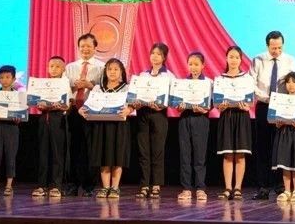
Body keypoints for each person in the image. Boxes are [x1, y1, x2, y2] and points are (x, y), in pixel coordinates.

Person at [249, 30, 295, 200]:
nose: (276, 51)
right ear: (267, 46)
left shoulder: (290, 60)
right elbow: (251, 82)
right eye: (273, 48)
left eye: (279, 47)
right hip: (264, 105)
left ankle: (280, 186)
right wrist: (264, 97)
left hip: (283, 108)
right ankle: (263, 187)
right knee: (263, 146)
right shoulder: (258, 60)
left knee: (280, 146)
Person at [79, 57, 132, 199]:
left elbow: (132, 106)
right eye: (109, 69)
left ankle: (115, 188)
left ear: (121, 71)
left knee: (117, 156)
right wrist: (82, 110)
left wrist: (130, 109)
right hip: (101, 125)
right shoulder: (98, 88)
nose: (112, 72)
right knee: (103, 156)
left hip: (119, 126)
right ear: (105, 71)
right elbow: (89, 104)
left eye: (116, 69)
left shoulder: (126, 88)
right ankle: (105, 187)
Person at [65, 33, 105, 197]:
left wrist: (91, 85)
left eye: (89, 46)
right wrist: (72, 88)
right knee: (73, 148)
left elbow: (104, 89)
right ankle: (72, 184)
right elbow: (64, 89)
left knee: (91, 149)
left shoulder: (102, 67)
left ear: (95, 47)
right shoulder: (71, 67)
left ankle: (89, 186)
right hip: (74, 110)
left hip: (92, 111)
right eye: (82, 46)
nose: (85, 49)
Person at [133, 42, 174, 199]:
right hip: (142, 114)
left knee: (157, 151)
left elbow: (172, 98)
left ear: (164, 57)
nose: (155, 56)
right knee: (144, 151)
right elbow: (135, 95)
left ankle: (156, 185)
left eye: (158, 54)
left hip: (159, 115)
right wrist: (135, 102)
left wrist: (162, 104)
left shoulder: (169, 76)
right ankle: (144, 185)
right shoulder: (142, 76)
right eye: (153, 53)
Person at [215, 46, 253, 201]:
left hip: (241, 116)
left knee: (240, 155)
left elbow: (250, 101)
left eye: (237, 57)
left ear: (240, 59)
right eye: (231, 56)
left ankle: (237, 188)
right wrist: (220, 105)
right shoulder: (220, 79)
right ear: (226, 58)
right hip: (227, 116)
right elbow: (217, 103)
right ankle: (227, 188)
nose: (233, 60)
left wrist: (247, 105)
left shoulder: (247, 79)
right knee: (228, 154)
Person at [32, 56, 70, 198]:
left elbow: (68, 104)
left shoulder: (65, 84)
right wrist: (38, 104)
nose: (54, 69)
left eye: (57, 66)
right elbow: (35, 101)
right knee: (42, 153)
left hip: (58, 119)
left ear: (63, 68)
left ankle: (56, 186)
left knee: (57, 153)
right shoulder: (43, 84)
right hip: (43, 118)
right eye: (51, 66)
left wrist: (61, 105)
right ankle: (42, 185)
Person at [175, 51, 211, 201]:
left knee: (200, 155)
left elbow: (211, 104)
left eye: (196, 64)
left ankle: (201, 188)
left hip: (201, 119)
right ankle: (186, 189)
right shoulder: (182, 84)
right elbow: (176, 105)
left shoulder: (208, 83)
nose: (193, 67)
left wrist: (204, 108)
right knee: (185, 155)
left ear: (203, 65)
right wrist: (180, 106)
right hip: (185, 119)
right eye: (190, 64)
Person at [0, 65, 23, 197]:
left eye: (8, 77)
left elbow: (21, 116)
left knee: (10, 156)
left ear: (13, 78)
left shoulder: (18, 96)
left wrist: (18, 119)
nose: (5, 80)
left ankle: (9, 186)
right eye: (2, 77)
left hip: (12, 128)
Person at [272, 72, 295, 204]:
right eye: (288, 82)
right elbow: (275, 118)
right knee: (285, 162)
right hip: (284, 132)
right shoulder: (280, 99)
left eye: (294, 82)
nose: (291, 85)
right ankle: (287, 190)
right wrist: (278, 123)